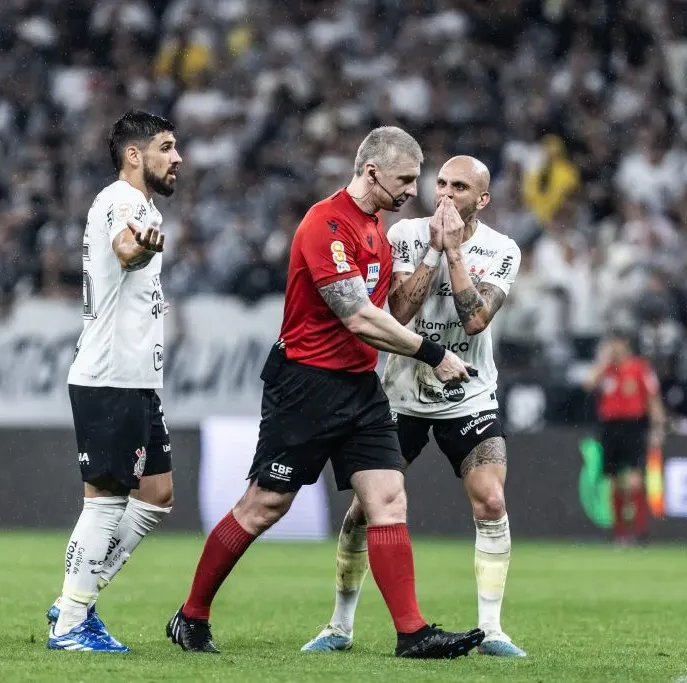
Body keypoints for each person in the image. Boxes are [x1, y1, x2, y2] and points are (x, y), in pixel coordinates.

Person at [166, 127, 484, 659]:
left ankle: (412, 634)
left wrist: (432, 254)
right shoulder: (326, 224)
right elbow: (359, 317)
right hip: (305, 385)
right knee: (265, 505)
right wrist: (432, 353)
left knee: (387, 499)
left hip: (360, 388)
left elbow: (392, 315)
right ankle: (191, 614)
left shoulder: (376, 231)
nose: (414, 190)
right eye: (406, 179)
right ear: (372, 171)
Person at [301, 156, 527, 658]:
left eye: (459, 187)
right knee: (364, 510)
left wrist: (454, 256)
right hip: (400, 392)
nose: (444, 194)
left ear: (482, 199)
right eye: (441, 183)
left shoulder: (502, 250)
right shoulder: (403, 234)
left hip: (469, 392)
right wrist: (431, 252)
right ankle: (339, 625)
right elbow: (397, 313)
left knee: (491, 501)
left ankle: (491, 629)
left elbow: (475, 321)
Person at [46, 110, 182, 652]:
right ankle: (73, 620)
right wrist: (141, 245)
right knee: (105, 501)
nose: (177, 159)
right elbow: (126, 250)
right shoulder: (122, 201)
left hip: (133, 379)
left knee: (157, 495)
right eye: (167, 147)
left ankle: (75, 596)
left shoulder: (138, 205)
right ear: (135, 154)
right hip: (109, 378)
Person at [583, 329, 667, 545]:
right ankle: (620, 533)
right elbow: (587, 384)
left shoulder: (640, 368)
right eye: (611, 344)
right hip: (610, 427)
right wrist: (603, 362)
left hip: (634, 426)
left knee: (634, 481)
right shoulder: (607, 369)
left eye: (617, 343)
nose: (615, 348)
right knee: (613, 481)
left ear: (626, 344)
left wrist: (657, 428)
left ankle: (638, 530)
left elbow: (653, 399)